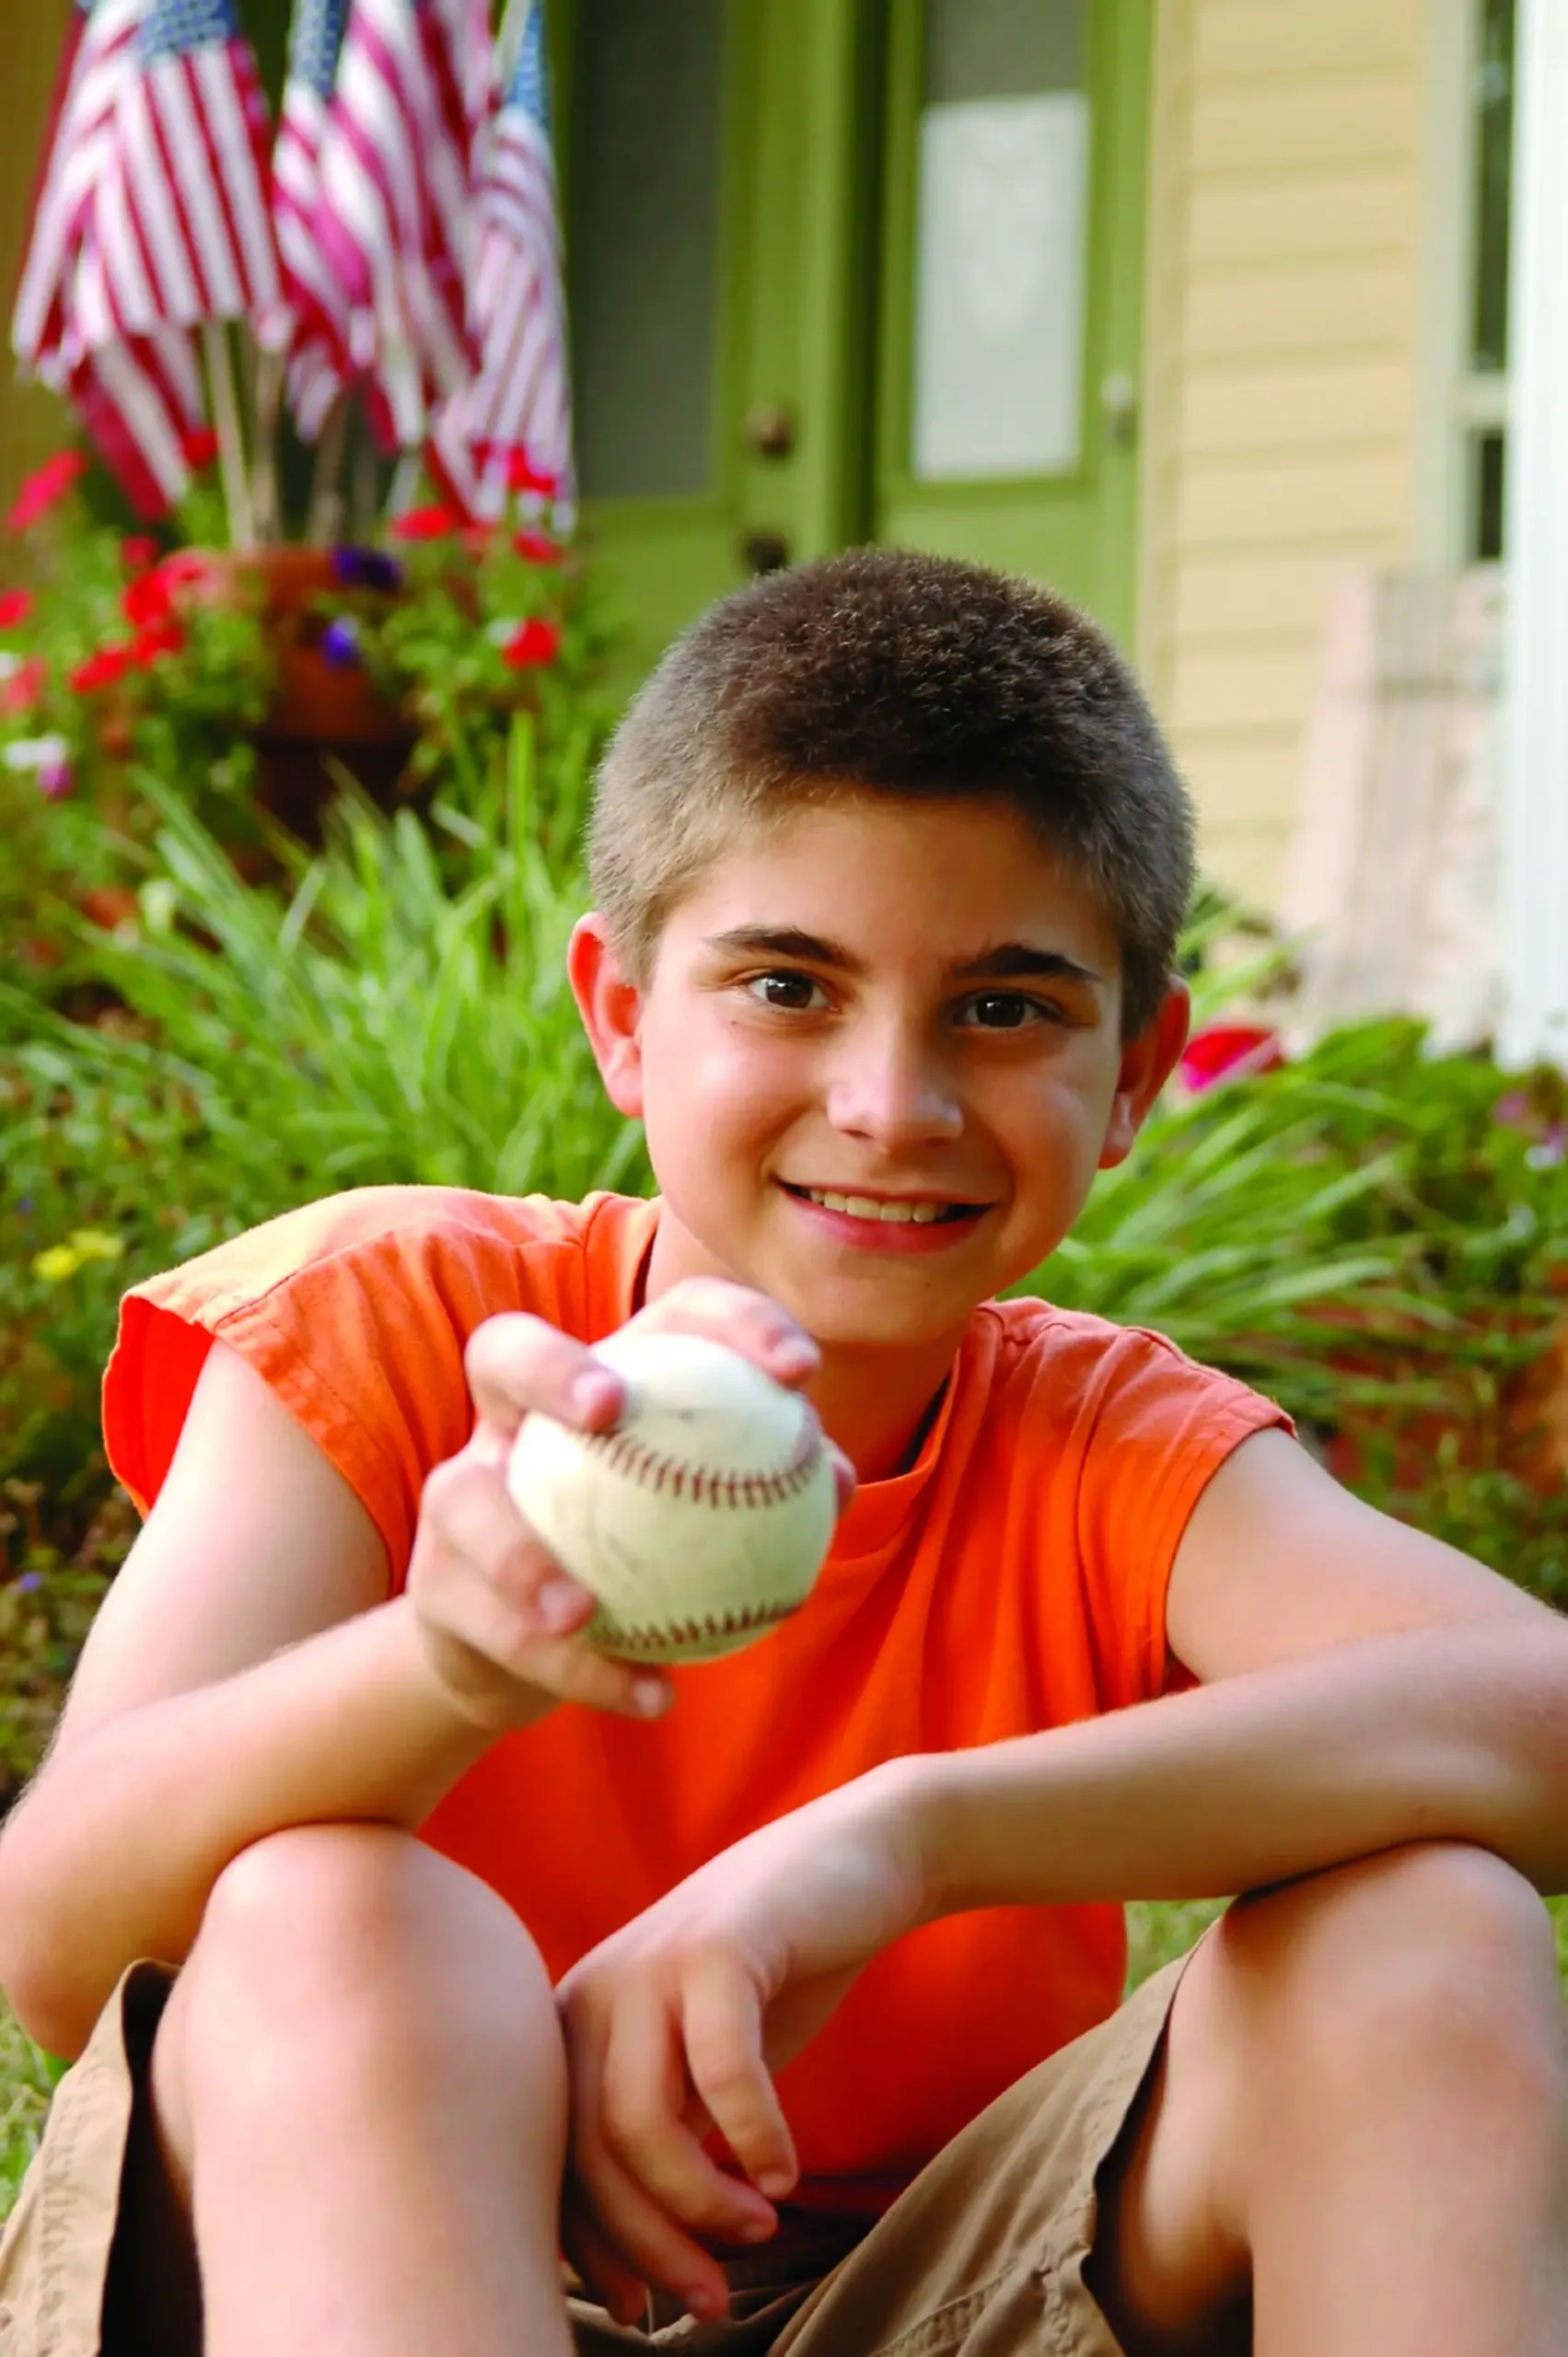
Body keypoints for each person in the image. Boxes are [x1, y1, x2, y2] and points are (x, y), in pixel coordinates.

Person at [0, 549, 1564, 2357]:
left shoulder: (1107, 1445)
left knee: (1429, 1924)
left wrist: (900, 1840)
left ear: (1135, 1071)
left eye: (1003, 1006)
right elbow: (51, 1937)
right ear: (619, 1013)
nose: (890, 1102)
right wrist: (441, 1658)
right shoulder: (402, 1316)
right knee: (330, 1908)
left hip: (919, 2290)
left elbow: (1539, 1711)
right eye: (786, 985)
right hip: (354, 2252)